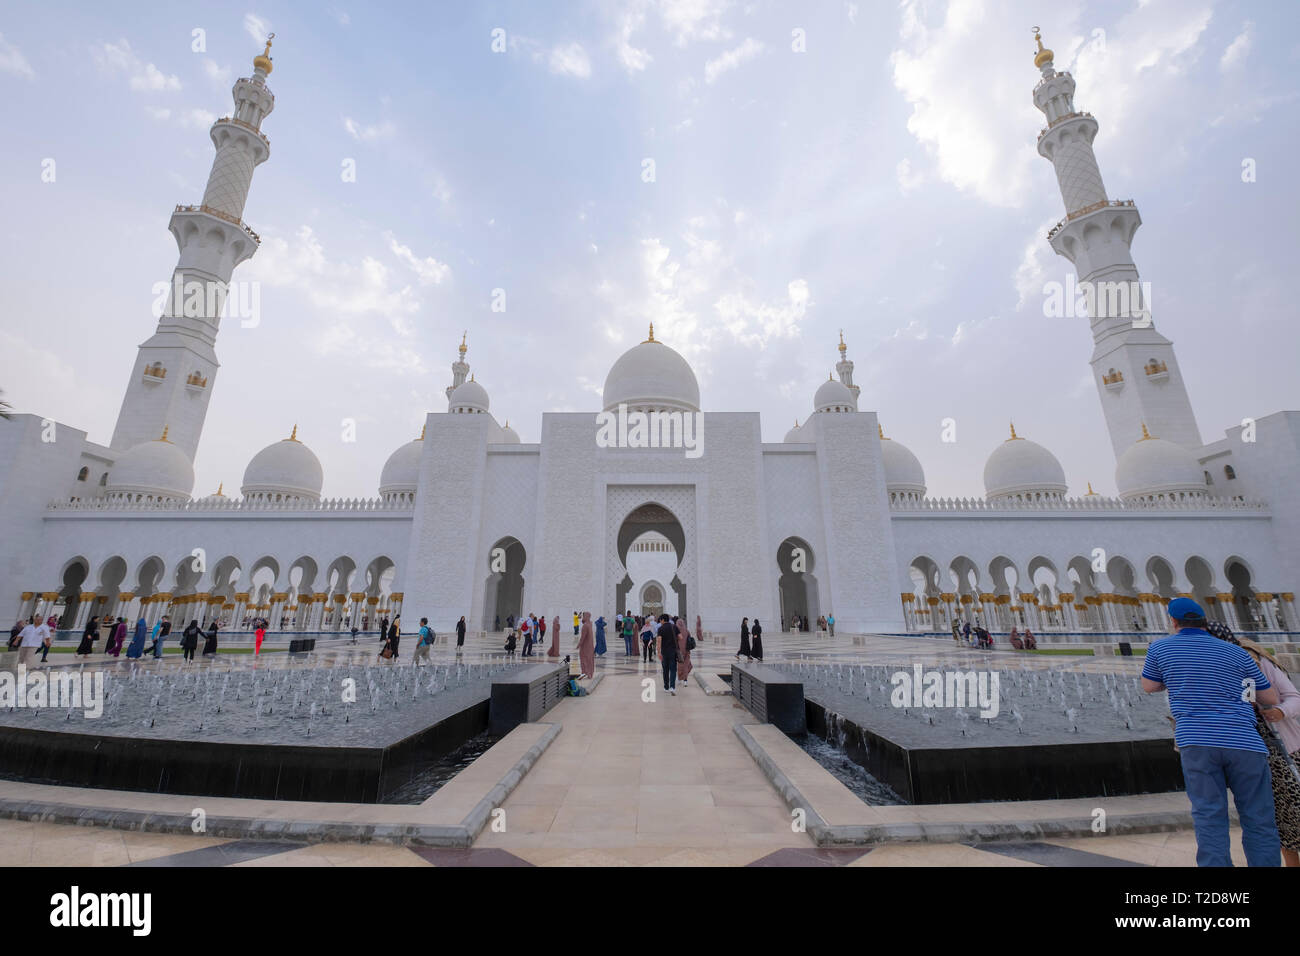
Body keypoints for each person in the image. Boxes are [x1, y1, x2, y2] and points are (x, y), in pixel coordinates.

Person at [1141, 597, 1281, 867]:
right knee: (1259, 817)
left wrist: (1177, 681)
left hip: (1197, 742)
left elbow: (1149, 686)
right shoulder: (1236, 652)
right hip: (1244, 742)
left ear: (1173, 621)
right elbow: (1270, 697)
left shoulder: (1160, 649)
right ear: (1204, 621)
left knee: (1209, 815)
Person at [1206, 620, 1300, 866]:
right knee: (1278, 818)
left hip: (1284, 750)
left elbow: (1292, 697)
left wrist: (1279, 712)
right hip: (1250, 754)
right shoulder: (1213, 668)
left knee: (1295, 809)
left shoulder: (1257, 662)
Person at [657, 614, 678, 695]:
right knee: (673, 669)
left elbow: (659, 641)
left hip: (664, 652)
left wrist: (659, 652)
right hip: (673, 651)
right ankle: (672, 687)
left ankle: (666, 687)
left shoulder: (661, 629)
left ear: (662, 620)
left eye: (660, 620)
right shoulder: (674, 627)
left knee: (665, 670)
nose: (660, 622)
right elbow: (680, 637)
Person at [576, 611, 595, 680]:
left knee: (583, 658)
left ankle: (584, 672)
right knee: (589, 659)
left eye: (584, 616)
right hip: (590, 646)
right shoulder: (590, 624)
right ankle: (590, 673)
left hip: (585, 646)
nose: (582, 618)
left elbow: (582, 638)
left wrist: (578, 645)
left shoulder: (585, 626)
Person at [677, 616, 693, 686]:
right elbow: (690, 639)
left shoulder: (676, 631)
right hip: (687, 650)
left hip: (679, 651)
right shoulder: (686, 630)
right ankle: (685, 680)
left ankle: (679, 679)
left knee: (680, 665)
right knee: (686, 665)